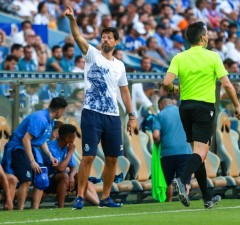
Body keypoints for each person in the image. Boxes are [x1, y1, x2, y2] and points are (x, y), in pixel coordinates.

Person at [162, 21, 240, 209]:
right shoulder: (213, 57)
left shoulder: (179, 57)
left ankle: (207, 197)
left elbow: (166, 82)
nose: (208, 36)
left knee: (198, 152)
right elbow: (227, 85)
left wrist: (175, 88)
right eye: (206, 34)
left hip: (185, 108)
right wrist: (238, 107)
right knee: (201, 152)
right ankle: (182, 180)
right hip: (204, 108)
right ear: (203, 37)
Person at [65, 4, 138, 209]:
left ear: (116, 42)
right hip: (92, 112)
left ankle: (105, 197)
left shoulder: (120, 65)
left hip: (113, 115)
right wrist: (72, 20)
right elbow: (78, 38)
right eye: (103, 36)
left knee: (113, 158)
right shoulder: (92, 55)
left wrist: (131, 115)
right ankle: (80, 196)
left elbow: (124, 92)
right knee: (88, 156)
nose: (105, 39)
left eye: (109, 37)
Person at [1, 97, 67, 210]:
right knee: (26, 180)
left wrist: (50, 156)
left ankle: (33, 209)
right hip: (18, 148)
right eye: (63, 111)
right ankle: (20, 210)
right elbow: (26, 139)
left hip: (30, 149)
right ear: (59, 111)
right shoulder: (40, 119)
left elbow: (42, 140)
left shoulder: (50, 121)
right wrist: (32, 161)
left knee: (41, 179)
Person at [43, 124, 99, 208]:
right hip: (48, 180)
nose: (74, 140)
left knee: (81, 176)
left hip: (63, 179)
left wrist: (72, 176)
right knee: (64, 176)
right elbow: (60, 168)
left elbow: (73, 167)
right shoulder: (51, 147)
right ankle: (61, 207)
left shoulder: (67, 147)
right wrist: (70, 153)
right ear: (67, 139)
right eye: (73, 137)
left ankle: (80, 204)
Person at [152, 97, 192, 202]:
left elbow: (156, 136)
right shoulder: (184, 113)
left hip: (167, 153)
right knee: (184, 180)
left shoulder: (160, 115)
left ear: (160, 106)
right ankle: (184, 198)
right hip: (185, 151)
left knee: (167, 182)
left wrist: (157, 144)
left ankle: (168, 202)